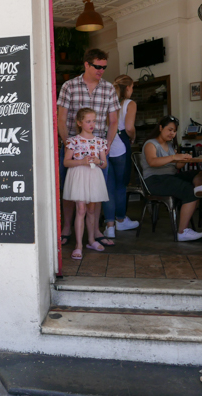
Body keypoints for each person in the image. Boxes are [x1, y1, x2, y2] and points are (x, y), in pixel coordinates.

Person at [57, 49, 120, 247]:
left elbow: (113, 120)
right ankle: (66, 227)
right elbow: (61, 117)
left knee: (97, 190)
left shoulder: (109, 88)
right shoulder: (69, 86)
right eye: (98, 66)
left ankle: (94, 231)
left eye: (104, 67)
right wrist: (68, 142)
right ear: (86, 64)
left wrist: (107, 144)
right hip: (73, 146)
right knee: (69, 187)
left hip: (97, 147)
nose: (101, 70)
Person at [141, 115, 202, 241]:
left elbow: (177, 165)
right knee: (188, 190)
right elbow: (152, 162)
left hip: (170, 177)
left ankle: (200, 189)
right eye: (169, 129)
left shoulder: (169, 145)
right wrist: (173, 157)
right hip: (155, 181)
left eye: (174, 131)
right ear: (161, 128)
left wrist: (184, 159)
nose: (172, 133)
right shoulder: (151, 144)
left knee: (200, 172)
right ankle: (182, 232)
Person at [63, 108, 110, 260]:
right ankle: (78, 245)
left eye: (94, 121)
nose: (92, 124)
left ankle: (91, 240)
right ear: (79, 123)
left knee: (91, 209)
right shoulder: (73, 141)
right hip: (79, 176)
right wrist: (81, 161)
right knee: (81, 209)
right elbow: (66, 162)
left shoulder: (99, 142)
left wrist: (98, 161)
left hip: (93, 176)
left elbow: (104, 164)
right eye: (88, 121)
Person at [103, 75, 140, 237]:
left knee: (108, 188)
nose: (132, 90)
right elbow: (130, 127)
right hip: (121, 146)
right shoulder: (129, 104)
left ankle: (109, 227)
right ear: (127, 88)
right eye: (132, 87)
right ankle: (121, 220)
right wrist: (133, 136)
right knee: (120, 186)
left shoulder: (107, 102)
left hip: (105, 146)